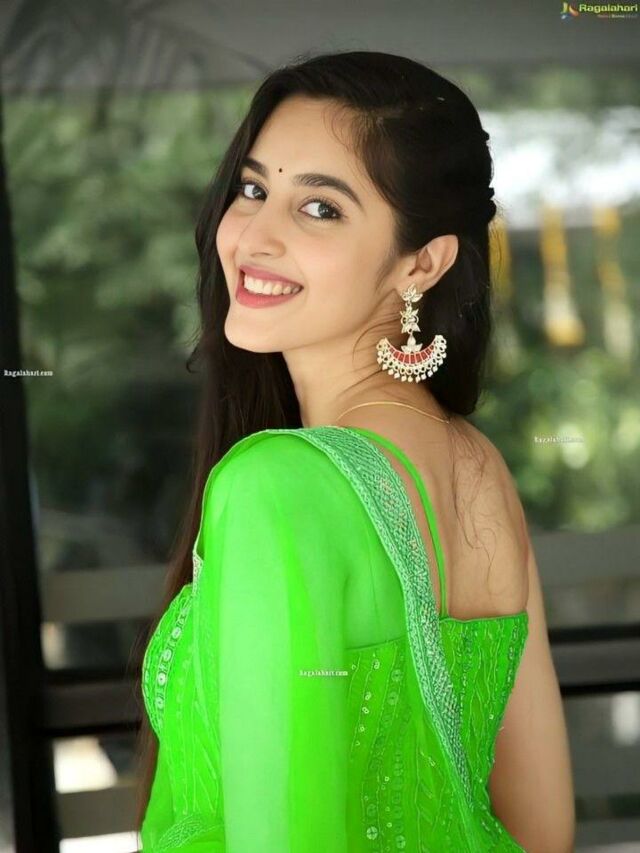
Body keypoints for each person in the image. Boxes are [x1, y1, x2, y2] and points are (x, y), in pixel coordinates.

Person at [135, 50, 575, 852]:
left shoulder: (276, 482)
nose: (254, 236)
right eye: (253, 190)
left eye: (320, 208)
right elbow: (544, 830)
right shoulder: (477, 467)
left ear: (421, 263)